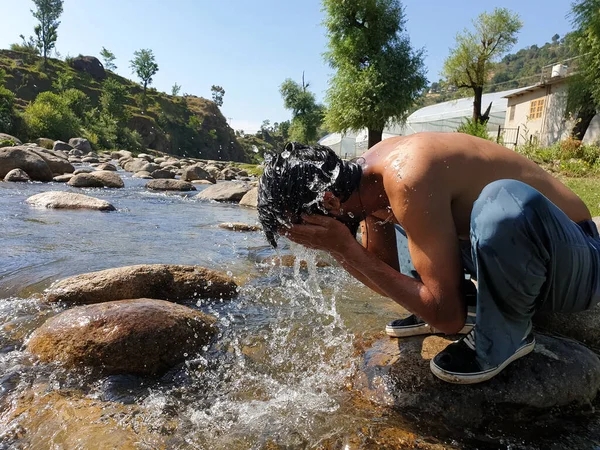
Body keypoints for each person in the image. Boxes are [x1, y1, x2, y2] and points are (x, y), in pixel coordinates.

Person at [257, 134, 600, 384]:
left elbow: (446, 320)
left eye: (304, 230)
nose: (306, 241)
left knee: (499, 204)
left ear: (329, 202)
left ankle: (508, 331)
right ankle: (473, 302)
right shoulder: (365, 182)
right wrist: (340, 247)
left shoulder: (407, 174)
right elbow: (385, 272)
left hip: (575, 259)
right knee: (422, 222)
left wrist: (345, 248)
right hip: (533, 258)